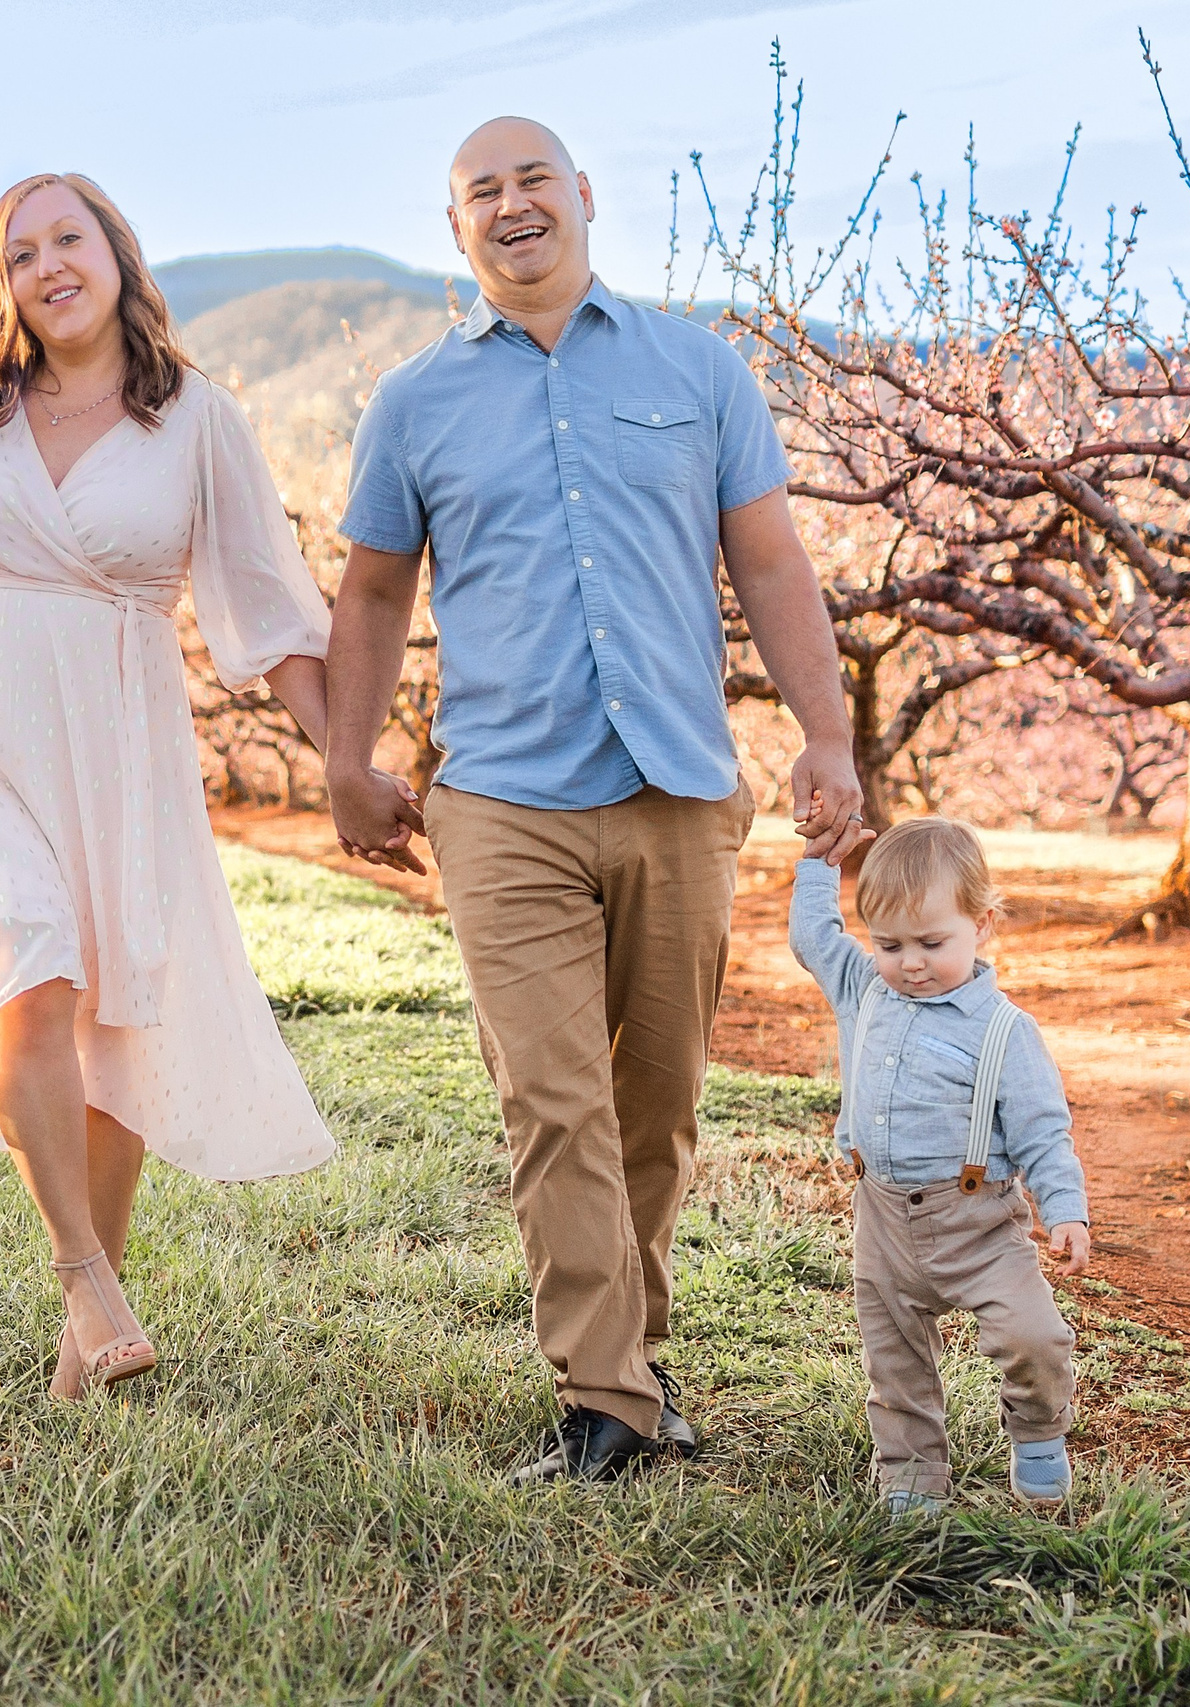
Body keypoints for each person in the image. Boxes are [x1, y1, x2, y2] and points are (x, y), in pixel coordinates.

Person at [324, 117, 867, 1484]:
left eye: (531, 181)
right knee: (553, 1099)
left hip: (681, 785)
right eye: (478, 193)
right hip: (500, 795)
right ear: (454, 229)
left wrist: (828, 734)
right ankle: (606, 1400)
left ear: (582, 197)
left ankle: (636, 1351)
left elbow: (775, 563)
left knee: (656, 1099)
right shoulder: (414, 403)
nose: (511, 206)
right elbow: (378, 590)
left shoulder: (699, 367)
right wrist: (345, 756)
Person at [0, 172, 362, 1398]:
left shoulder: (195, 415)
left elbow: (268, 611)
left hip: (119, 729)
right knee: (26, 975)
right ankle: (82, 1276)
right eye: (21, 251)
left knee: (108, 1015)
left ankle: (81, 1345)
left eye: (69, 239)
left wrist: (344, 758)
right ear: (0, 281)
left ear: (115, 253)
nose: (49, 265)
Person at [788, 815, 1091, 1515]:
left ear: (983, 925)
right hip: (883, 1217)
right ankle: (911, 1478)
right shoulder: (866, 988)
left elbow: (1044, 1129)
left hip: (978, 1223)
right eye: (889, 943)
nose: (910, 962)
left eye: (932, 942)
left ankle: (1039, 1428)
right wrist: (817, 863)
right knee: (895, 1364)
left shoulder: (1004, 1030)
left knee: (1034, 1335)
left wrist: (1065, 1207)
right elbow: (813, 937)